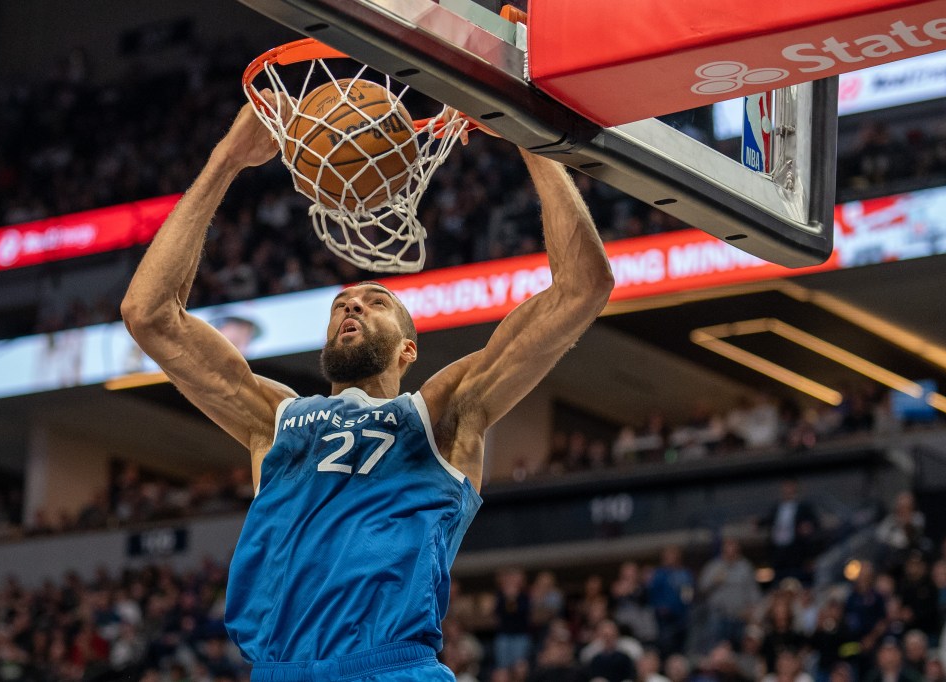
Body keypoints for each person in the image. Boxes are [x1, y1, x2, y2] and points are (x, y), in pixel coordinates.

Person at [121, 92, 615, 680]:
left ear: (409, 348)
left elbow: (583, 286)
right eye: (340, 304)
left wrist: (526, 136)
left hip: (392, 666)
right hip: (281, 669)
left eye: (375, 302)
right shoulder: (274, 418)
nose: (351, 305)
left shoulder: (439, 414)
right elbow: (148, 313)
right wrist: (227, 159)